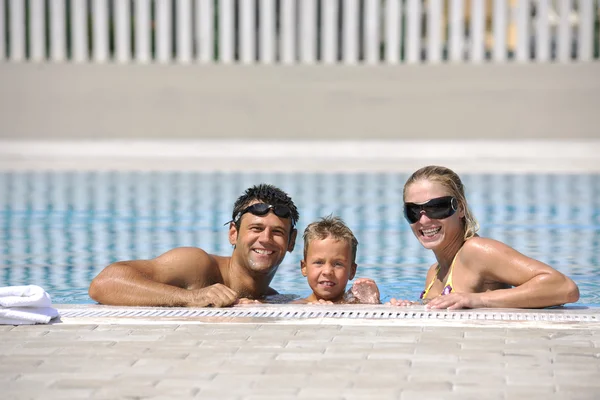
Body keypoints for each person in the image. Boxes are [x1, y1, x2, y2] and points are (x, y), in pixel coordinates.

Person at [388, 165, 579, 310]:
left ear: (460, 208)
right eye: (413, 211)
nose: (424, 219)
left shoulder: (476, 251)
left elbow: (565, 288)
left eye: (437, 207)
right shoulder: (434, 273)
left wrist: (476, 300)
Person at [88, 184, 299, 307]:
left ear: (291, 242)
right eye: (256, 228)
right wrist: (191, 297)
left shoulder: (272, 298)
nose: (265, 239)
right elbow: (104, 283)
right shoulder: (197, 265)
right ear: (233, 234)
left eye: (278, 232)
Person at [295, 216, 380, 305]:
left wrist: (375, 303)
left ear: (352, 271)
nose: (327, 271)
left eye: (338, 264)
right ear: (304, 267)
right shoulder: (296, 306)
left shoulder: (357, 305)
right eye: (319, 262)